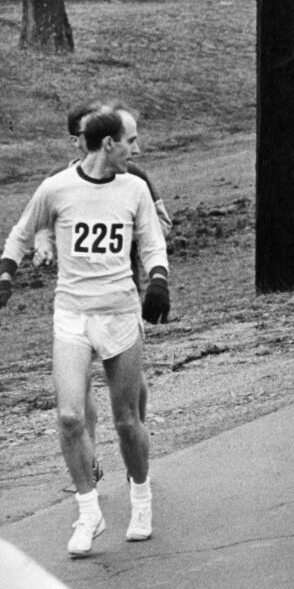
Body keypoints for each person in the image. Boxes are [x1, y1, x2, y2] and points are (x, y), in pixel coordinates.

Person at [0, 108, 171, 556]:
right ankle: (89, 511)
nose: (137, 149)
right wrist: (6, 273)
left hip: (119, 313)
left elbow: (152, 242)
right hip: (72, 314)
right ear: (108, 143)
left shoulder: (134, 187)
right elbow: (21, 233)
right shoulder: (57, 187)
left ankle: (141, 498)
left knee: (126, 419)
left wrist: (158, 280)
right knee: (70, 417)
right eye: (131, 141)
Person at [34, 101, 171, 486]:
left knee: (132, 386)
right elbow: (42, 224)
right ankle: (88, 456)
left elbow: (159, 223)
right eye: (85, 133)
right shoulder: (59, 181)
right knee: (77, 390)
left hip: (122, 293)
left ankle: (135, 443)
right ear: (76, 139)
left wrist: (143, 230)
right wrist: (44, 245)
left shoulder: (132, 176)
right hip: (76, 299)